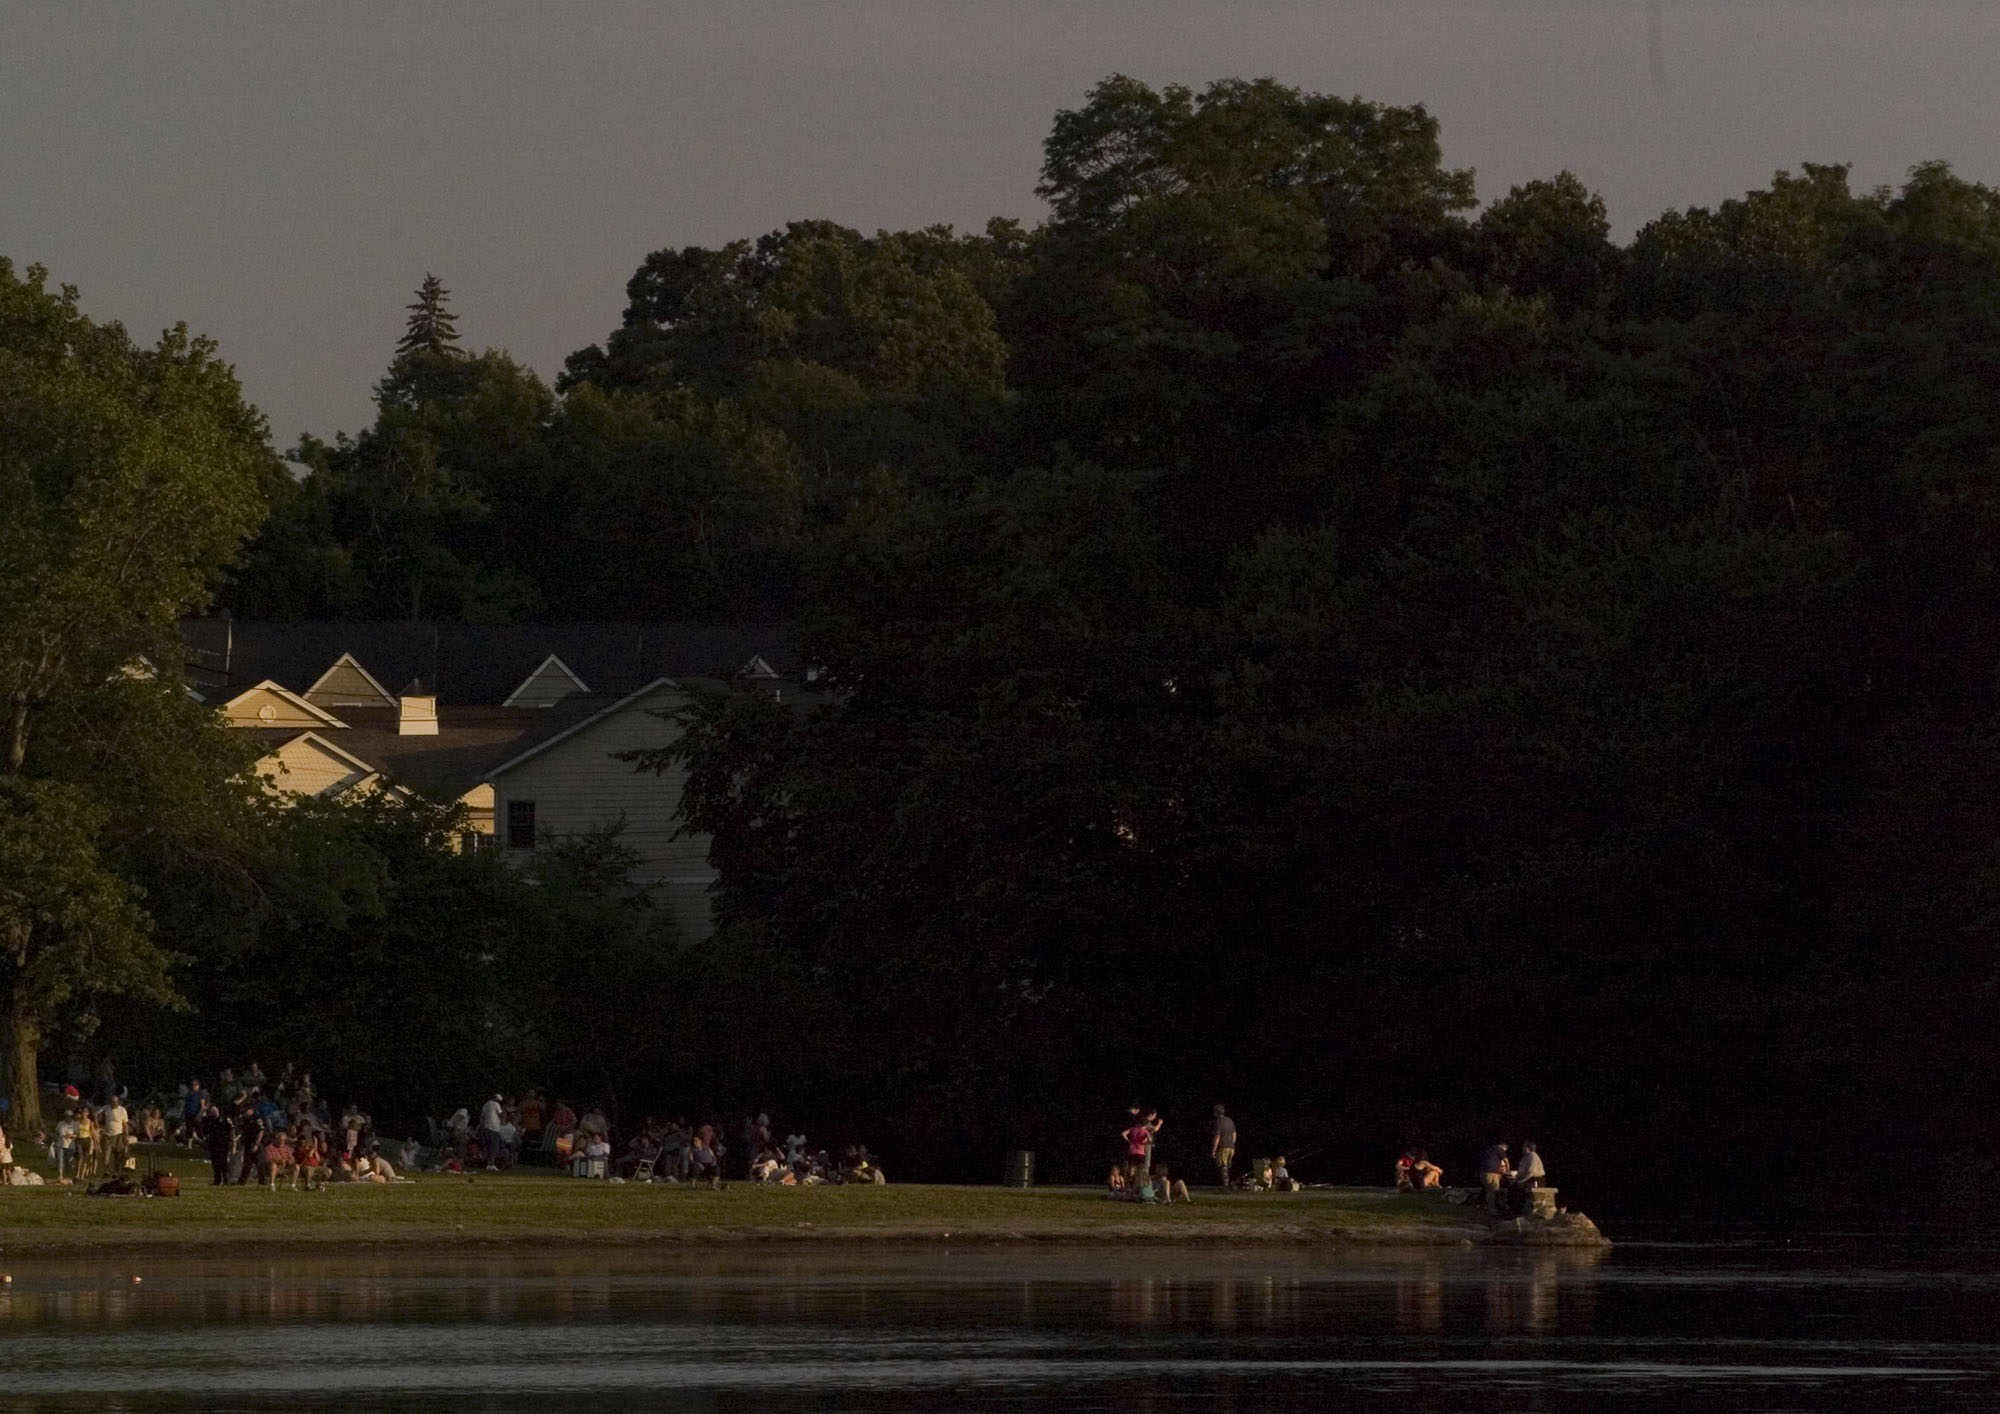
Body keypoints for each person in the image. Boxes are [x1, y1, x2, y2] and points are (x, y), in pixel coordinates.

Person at [1122, 1110, 1162, 1187]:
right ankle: (1141, 1184)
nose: (1155, 1117)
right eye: (1154, 1115)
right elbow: (1150, 1138)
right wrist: (1145, 1141)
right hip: (1141, 1152)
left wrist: (1129, 1141)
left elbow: (1123, 1133)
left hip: (1132, 1151)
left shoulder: (1133, 1129)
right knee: (1142, 1168)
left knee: (1131, 1169)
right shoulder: (1145, 1131)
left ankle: (1129, 1184)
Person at [200, 1100, 233, 1186]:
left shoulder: (224, 1119)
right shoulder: (209, 1119)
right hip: (214, 1144)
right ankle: (217, 1179)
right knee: (215, 1163)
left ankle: (226, 1179)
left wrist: (231, 1141)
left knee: (224, 1162)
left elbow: (231, 1129)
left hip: (223, 1143)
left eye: (215, 1110)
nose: (214, 1112)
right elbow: (202, 1122)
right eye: (212, 1111)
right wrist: (203, 1111)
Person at [1509, 1141, 1546, 1213]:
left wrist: (1522, 1181)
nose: (1522, 1148)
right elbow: (1520, 1173)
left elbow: (1531, 1172)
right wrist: (1514, 1181)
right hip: (1526, 1179)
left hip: (1535, 1179)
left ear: (1528, 1148)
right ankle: (1514, 1210)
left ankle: (1521, 1210)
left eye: (1524, 1147)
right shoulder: (1524, 1158)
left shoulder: (1533, 1156)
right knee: (1512, 1187)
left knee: (1520, 1188)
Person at [477, 1093, 506, 1171]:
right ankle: (492, 1164)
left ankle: (487, 1164)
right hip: (494, 1128)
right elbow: (501, 1114)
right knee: (494, 1147)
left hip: (486, 1128)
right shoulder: (496, 1104)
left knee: (487, 1146)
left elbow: (482, 1117)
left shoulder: (485, 1105)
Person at [1210, 1105, 1237, 1188]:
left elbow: (1217, 1137)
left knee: (1223, 1167)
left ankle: (1226, 1186)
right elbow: (1234, 1133)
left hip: (1223, 1147)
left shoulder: (1218, 1122)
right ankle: (1228, 1185)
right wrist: (1232, 1143)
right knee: (1227, 1167)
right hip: (1231, 1147)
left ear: (1216, 1113)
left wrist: (1213, 1150)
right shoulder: (1229, 1120)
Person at [1480, 1142, 1512, 1210]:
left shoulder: (1490, 1150)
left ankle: (1488, 1207)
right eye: (1505, 1150)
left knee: (1489, 1191)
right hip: (1491, 1174)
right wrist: (1508, 1171)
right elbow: (1506, 1160)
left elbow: (1492, 1163)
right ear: (1504, 1147)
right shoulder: (1499, 1149)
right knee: (1493, 1191)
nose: (1504, 1152)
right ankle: (1492, 1209)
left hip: (1483, 1173)